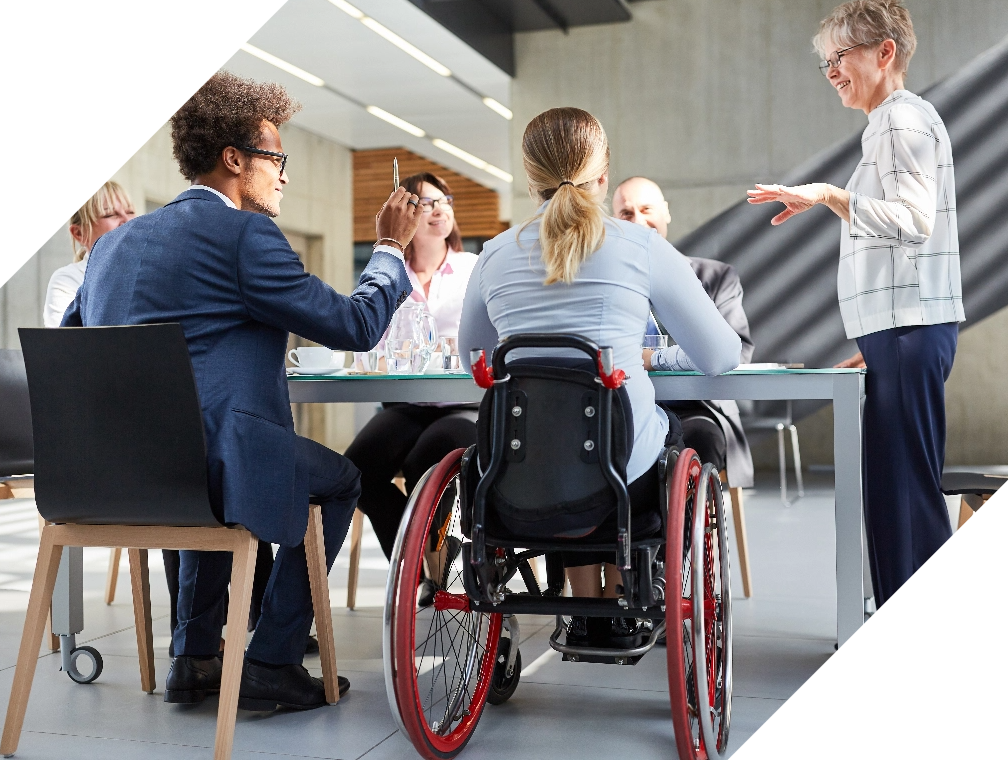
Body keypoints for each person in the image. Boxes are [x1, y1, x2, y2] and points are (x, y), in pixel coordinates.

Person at [63, 72, 420, 713]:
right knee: (341, 479)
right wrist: (390, 250)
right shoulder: (246, 237)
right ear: (235, 160)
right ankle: (272, 657)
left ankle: (195, 658)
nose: (283, 175)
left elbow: (74, 347)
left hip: (117, 475)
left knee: (207, 462)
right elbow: (354, 326)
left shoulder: (111, 247)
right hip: (213, 467)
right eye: (276, 159)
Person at [746, 0, 963, 744]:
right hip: (895, 333)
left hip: (909, 332)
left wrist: (830, 196)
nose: (831, 71)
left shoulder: (900, 119)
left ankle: (924, 657)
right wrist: (872, 338)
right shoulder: (890, 124)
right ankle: (906, 647)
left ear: (886, 51)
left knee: (907, 499)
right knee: (893, 495)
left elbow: (913, 219)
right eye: (825, 60)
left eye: (842, 55)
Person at [459, 107, 741, 647]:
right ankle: (633, 584)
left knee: (556, 437)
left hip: (519, 472)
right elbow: (722, 355)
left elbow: (476, 355)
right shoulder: (641, 246)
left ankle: (586, 604)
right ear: (603, 174)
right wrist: (646, 355)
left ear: (529, 177)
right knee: (670, 438)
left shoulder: (494, 255)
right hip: (620, 476)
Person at [345, 172, 479, 561]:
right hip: (405, 405)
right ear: (405, 214)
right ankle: (415, 565)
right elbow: (369, 343)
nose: (440, 209)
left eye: (445, 200)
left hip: (462, 403)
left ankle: (427, 563)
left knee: (425, 462)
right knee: (355, 473)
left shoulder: (473, 270)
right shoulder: (389, 274)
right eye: (427, 203)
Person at [612, 176, 755, 489]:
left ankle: (676, 536)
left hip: (696, 406)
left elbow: (738, 351)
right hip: (626, 404)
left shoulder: (715, 277)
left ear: (666, 211)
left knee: (699, 438)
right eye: (626, 213)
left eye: (646, 208)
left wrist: (653, 359)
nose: (638, 220)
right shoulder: (610, 282)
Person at [43, 181, 135, 327]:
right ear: (79, 233)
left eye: (130, 212)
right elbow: (65, 344)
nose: (128, 221)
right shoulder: (66, 281)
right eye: (110, 214)